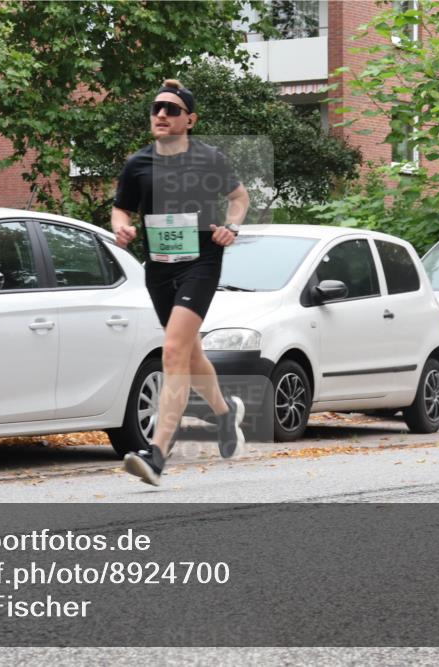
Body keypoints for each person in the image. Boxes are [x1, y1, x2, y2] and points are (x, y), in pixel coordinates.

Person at [111, 78, 251, 486]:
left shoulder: (209, 158)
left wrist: (231, 226)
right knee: (190, 355)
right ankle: (226, 416)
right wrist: (122, 229)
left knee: (172, 351)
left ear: (190, 119)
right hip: (158, 267)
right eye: (156, 108)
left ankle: (157, 454)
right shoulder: (138, 164)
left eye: (172, 110)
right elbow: (121, 211)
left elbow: (239, 199)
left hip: (202, 262)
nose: (161, 115)